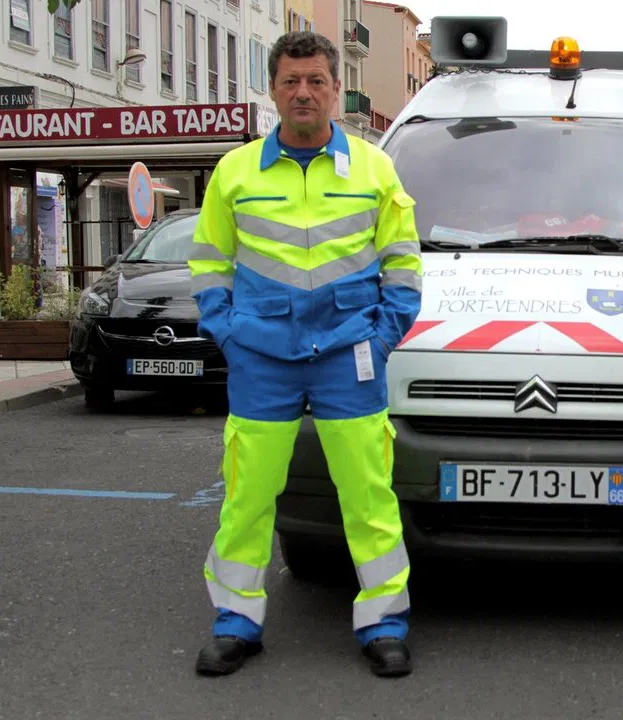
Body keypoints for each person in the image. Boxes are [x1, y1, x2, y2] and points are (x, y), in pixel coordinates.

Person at [187, 30, 423, 677]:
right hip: (262, 355)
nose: (303, 93)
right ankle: (237, 620)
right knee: (247, 495)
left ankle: (382, 621)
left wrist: (378, 338)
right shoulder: (236, 172)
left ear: (333, 90)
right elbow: (209, 263)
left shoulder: (375, 168)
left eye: (316, 80)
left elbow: (403, 267)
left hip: (350, 354)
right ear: (273, 89)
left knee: (368, 494)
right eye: (291, 81)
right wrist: (229, 333)